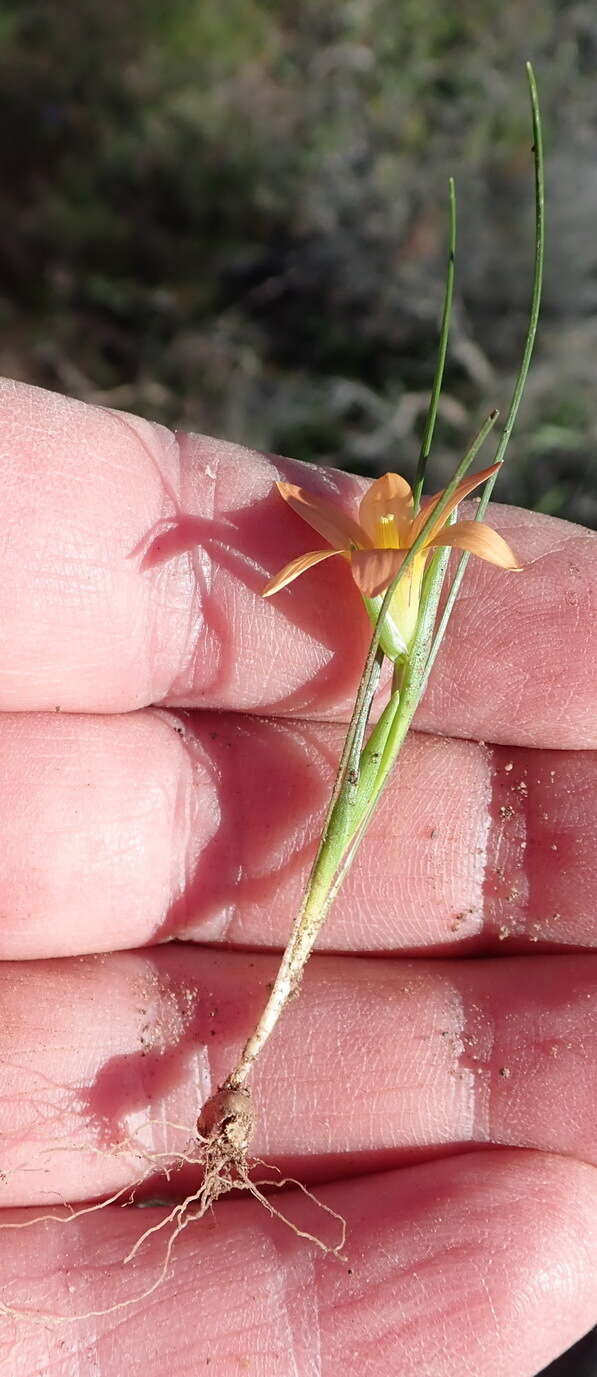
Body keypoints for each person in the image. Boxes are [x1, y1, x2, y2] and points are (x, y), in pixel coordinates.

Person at [0, 375, 595, 1376]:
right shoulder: (389, 546)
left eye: (402, 526)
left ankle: (239, 1075)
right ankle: (240, 1074)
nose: (391, 511)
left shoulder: (430, 544)